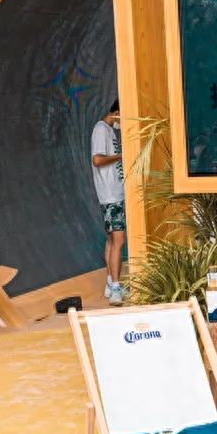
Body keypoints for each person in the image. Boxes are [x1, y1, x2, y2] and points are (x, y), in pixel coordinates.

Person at [91, 98, 126, 303]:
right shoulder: (101, 129)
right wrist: (121, 156)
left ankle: (110, 284)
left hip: (114, 193)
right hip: (111, 194)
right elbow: (97, 160)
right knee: (119, 240)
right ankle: (115, 289)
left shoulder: (109, 130)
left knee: (112, 240)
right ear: (117, 112)